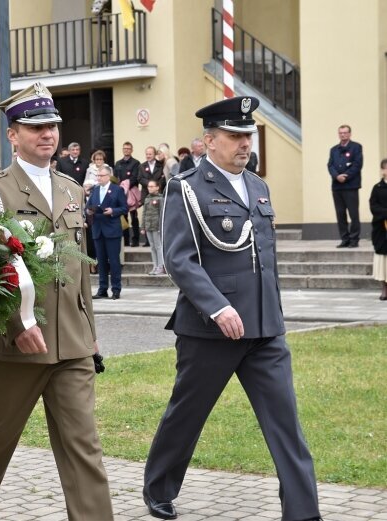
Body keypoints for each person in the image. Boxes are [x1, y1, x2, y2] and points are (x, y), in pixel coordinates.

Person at [142, 96, 323, 521]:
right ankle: (159, 488)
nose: (245, 143)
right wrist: (217, 307)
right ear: (209, 141)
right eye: (236, 136)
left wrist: (273, 314)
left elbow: (265, 258)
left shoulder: (259, 186)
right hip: (210, 330)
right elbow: (179, 259)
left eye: (249, 135)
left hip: (263, 329)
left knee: (285, 423)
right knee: (187, 415)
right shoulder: (185, 187)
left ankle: (304, 511)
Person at [0, 82, 113, 521]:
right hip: (16, 347)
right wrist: (14, 326)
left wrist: (92, 336)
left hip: (72, 346)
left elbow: (80, 273)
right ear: (12, 135)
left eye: (52, 126)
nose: (47, 134)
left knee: (85, 450)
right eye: (35, 126)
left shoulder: (71, 189)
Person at [87, 164, 127, 299]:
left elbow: (124, 208)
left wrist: (113, 211)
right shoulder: (95, 190)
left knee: (114, 261)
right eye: (97, 175)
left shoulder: (117, 190)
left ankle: (116, 289)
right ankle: (102, 289)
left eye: (101, 175)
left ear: (108, 176)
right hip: (98, 230)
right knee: (101, 262)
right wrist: (89, 211)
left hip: (112, 230)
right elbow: (87, 207)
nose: (98, 178)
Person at [328, 124, 363, 248]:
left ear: (349, 134)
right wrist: (337, 176)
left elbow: (357, 165)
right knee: (340, 214)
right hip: (337, 187)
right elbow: (330, 165)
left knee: (353, 214)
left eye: (345, 133)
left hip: (351, 186)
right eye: (340, 133)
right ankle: (344, 238)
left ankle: (354, 239)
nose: (343, 135)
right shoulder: (334, 149)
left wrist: (346, 176)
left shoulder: (356, 147)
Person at [114, 141, 142, 247]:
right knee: (123, 217)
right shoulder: (118, 163)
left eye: (128, 148)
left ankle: (135, 240)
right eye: (125, 148)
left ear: (132, 150)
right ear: (122, 149)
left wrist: (126, 186)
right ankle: (125, 241)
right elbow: (115, 178)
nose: (126, 150)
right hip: (121, 194)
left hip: (131, 193)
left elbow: (135, 178)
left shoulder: (136, 163)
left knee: (134, 217)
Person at [370, 159, 387, 301]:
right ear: (382, 170)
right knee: (382, 259)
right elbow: (373, 207)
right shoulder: (377, 188)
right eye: (385, 168)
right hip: (381, 230)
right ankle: (384, 287)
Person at [141, 179, 165, 275]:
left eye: (152, 186)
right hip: (148, 226)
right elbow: (144, 213)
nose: (149, 188)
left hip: (156, 226)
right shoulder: (147, 199)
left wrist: (161, 227)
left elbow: (162, 213)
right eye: (148, 186)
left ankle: (161, 266)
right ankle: (155, 265)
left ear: (157, 187)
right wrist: (143, 227)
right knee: (152, 247)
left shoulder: (160, 198)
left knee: (158, 246)